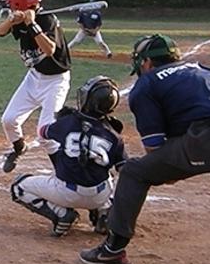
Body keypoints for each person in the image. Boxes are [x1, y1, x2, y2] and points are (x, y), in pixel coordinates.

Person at [80, 34, 210, 264]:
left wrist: (167, 170)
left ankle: (112, 250)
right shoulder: (199, 67)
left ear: (146, 63)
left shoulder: (146, 84)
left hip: (208, 139)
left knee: (134, 172)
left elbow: (154, 146)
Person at [11, 76, 127, 236]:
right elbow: (125, 169)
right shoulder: (114, 135)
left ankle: (61, 214)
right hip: (100, 194)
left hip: (66, 193)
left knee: (18, 187)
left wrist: (64, 118)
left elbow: (42, 132)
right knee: (110, 174)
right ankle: (105, 212)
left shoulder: (68, 122)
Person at [0, 0, 72, 173]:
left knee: (45, 132)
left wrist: (32, 24)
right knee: (9, 120)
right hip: (34, 77)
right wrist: (12, 20)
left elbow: (49, 49)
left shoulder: (47, 19)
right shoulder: (19, 19)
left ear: (20, 1)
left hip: (56, 81)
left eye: (12, 1)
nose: (9, 5)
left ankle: (65, 173)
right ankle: (19, 149)